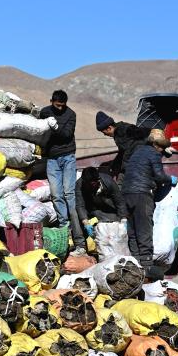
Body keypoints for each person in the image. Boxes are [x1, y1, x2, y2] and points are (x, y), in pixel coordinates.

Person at [121, 129, 175, 272]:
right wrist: (170, 179)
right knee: (144, 230)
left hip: (127, 194)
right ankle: (146, 266)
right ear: (156, 145)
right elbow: (159, 176)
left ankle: (135, 265)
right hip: (142, 194)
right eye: (161, 146)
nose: (162, 150)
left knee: (132, 231)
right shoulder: (154, 154)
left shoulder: (137, 152)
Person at [40, 90, 81, 243]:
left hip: (67, 156)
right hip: (52, 158)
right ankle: (64, 225)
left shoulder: (71, 115)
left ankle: (76, 226)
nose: (60, 108)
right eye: (57, 105)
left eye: (62, 105)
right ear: (51, 102)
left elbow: (66, 135)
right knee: (56, 194)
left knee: (69, 193)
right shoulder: (45, 112)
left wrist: (55, 127)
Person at [76, 166, 127, 242]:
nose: (91, 186)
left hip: (106, 209)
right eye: (88, 184)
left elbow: (119, 201)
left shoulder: (108, 181)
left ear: (98, 180)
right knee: (75, 214)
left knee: (112, 224)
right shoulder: (80, 184)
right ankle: (81, 245)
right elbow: (80, 205)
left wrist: (123, 219)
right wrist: (85, 223)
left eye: (93, 184)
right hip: (90, 209)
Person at [96, 111, 154, 178]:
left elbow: (130, 149)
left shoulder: (122, 131)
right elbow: (122, 152)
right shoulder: (118, 133)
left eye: (104, 132)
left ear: (109, 128)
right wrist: (113, 165)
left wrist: (124, 169)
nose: (105, 135)